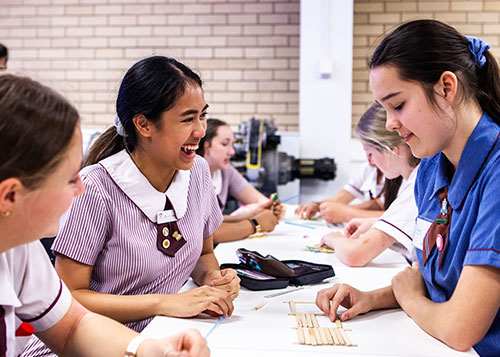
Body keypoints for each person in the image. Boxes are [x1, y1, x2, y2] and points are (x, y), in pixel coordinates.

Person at [22, 56, 239, 355]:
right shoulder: (96, 188)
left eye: (202, 116)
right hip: (86, 345)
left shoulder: (198, 172)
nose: (200, 130)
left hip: (152, 338)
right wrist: (163, 302)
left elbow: (203, 254)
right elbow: (69, 299)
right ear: (143, 124)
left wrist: (213, 280)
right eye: (188, 119)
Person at [316, 19, 500, 355]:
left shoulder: (496, 175)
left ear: (447, 87)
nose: (390, 123)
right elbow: (433, 284)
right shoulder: (432, 166)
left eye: (397, 105)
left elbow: (461, 328)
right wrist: (374, 298)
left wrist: (409, 297)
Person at [319, 103, 419, 266]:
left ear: (390, 149)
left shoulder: (417, 184)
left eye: (371, 152)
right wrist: (375, 223)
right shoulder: (411, 181)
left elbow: (355, 255)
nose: (370, 160)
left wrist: (334, 238)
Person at [196, 118, 282, 243]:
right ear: (205, 144)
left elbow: (257, 199)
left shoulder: (226, 172)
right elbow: (206, 232)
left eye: (232, 145)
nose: (232, 152)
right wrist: (255, 224)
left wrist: (268, 208)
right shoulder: (192, 176)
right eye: (225, 144)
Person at [295, 161, 385, 223]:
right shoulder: (369, 168)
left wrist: (346, 213)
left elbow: (394, 216)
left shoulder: (396, 174)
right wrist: (318, 205)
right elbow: (377, 204)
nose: (369, 156)